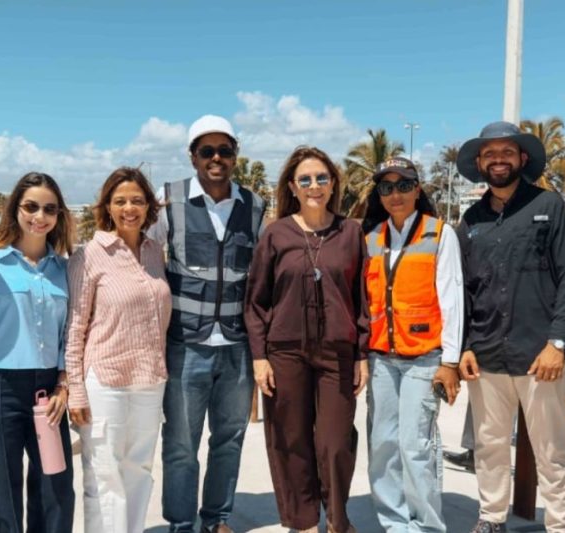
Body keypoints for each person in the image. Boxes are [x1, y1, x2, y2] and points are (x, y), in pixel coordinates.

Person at [455, 122, 565, 533]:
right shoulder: (470, 219)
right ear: (479, 163)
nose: (498, 160)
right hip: (486, 353)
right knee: (489, 446)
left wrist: (558, 342)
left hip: (539, 354)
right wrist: (465, 346)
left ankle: (560, 525)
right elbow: (464, 289)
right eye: (489, 154)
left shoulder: (550, 205)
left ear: (521, 159)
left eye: (506, 153)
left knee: (552, 450)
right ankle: (492, 518)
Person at [149, 115, 265, 533]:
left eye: (225, 150)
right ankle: (181, 523)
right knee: (181, 445)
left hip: (236, 348)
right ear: (193, 156)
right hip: (185, 345)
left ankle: (217, 518)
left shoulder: (254, 207)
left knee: (229, 439)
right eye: (207, 151)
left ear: (235, 155)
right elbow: (141, 258)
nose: (216, 158)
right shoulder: (168, 201)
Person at [245, 146, 369, 533]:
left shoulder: (350, 232)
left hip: (337, 353)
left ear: (333, 184)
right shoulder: (275, 234)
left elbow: (361, 297)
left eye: (321, 178)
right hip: (285, 352)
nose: (314, 186)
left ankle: (336, 519)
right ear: (293, 187)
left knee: (334, 442)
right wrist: (259, 356)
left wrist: (361, 354)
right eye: (305, 179)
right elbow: (256, 299)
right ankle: (302, 522)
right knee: (291, 439)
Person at [0, 172, 75, 532]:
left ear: (59, 215)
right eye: (30, 206)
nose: (39, 216)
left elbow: (69, 334)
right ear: (15, 209)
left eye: (49, 208)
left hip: (49, 391)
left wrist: (64, 384)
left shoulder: (65, 270)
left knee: (54, 485)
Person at [361, 157, 463, 533]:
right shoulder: (371, 240)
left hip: (424, 357)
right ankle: (394, 523)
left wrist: (449, 361)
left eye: (403, 185)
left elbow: (453, 299)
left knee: (415, 446)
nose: (395, 195)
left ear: (417, 190)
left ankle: (427, 526)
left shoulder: (440, 234)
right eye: (386, 188)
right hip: (381, 360)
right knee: (382, 445)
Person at [66, 167, 171, 533]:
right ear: (107, 206)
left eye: (137, 200)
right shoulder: (90, 254)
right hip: (105, 380)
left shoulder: (155, 251)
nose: (130, 208)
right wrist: (76, 388)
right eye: (121, 201)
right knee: (104, 476)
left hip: (150, 379)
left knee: (139, 470)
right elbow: (76, 327)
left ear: (149, 207)